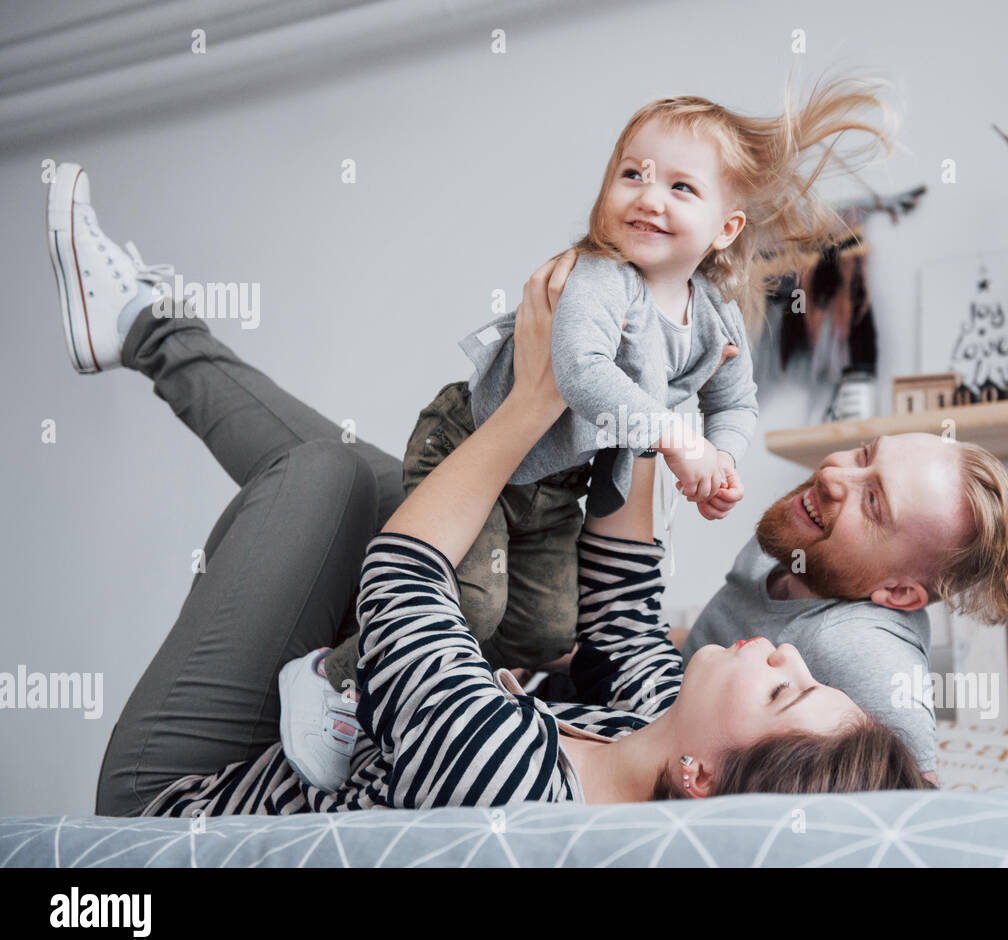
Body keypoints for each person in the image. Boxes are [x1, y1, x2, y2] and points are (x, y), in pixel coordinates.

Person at [48, 163, 933, 816]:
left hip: (177, 792)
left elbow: (400, 578)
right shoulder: (654, 721)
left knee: (334, 477)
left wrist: (537, 396)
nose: (782, 652)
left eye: (783, 690)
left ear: (699, 778)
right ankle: (140, 322)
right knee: (376, 477)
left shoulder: (513, 790)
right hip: (304, 731)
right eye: (803, 670)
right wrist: (650, 373)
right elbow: (622, 592)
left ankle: (143, 324)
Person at [310, 67, 904, 709]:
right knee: (475, 601)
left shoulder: (714, 315)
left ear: (725, 229)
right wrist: (679, 437)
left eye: (680, 186)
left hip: (555, 483)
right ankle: (331, 682)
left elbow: (735, 400)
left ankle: (445, 687)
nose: (650, 197)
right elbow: (582, 373)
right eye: (633, 174)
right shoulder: (602, 277)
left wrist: (723, 457)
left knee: (546, 631)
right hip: (476, 436)